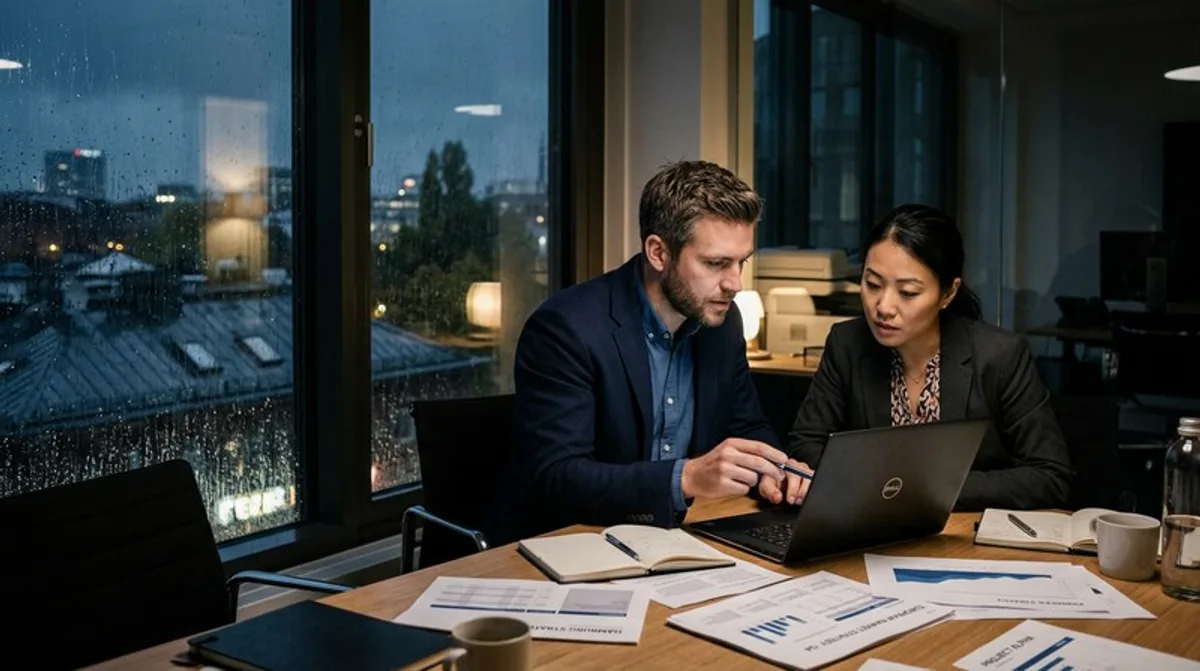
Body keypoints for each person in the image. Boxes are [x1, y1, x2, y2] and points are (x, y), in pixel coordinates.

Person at [493, 160, 790, 540]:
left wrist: (776, 472)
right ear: (658, 253)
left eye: (740, 262)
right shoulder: (566, 329)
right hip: (569, 545)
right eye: (716, 264)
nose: (735, 283)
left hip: (680, 541)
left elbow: (746, 425)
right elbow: (559, 477)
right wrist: (687, 477)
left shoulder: (723, 322)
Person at [763, 204, 1072, 511]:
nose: (883, 306)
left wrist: (921, 488)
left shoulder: (999, 356)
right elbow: (806, 444)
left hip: (963, 539)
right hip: (870, 531)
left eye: (908, 293)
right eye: (872, 284)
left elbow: (1049, 476)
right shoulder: (847, 344)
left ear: (948, 294)